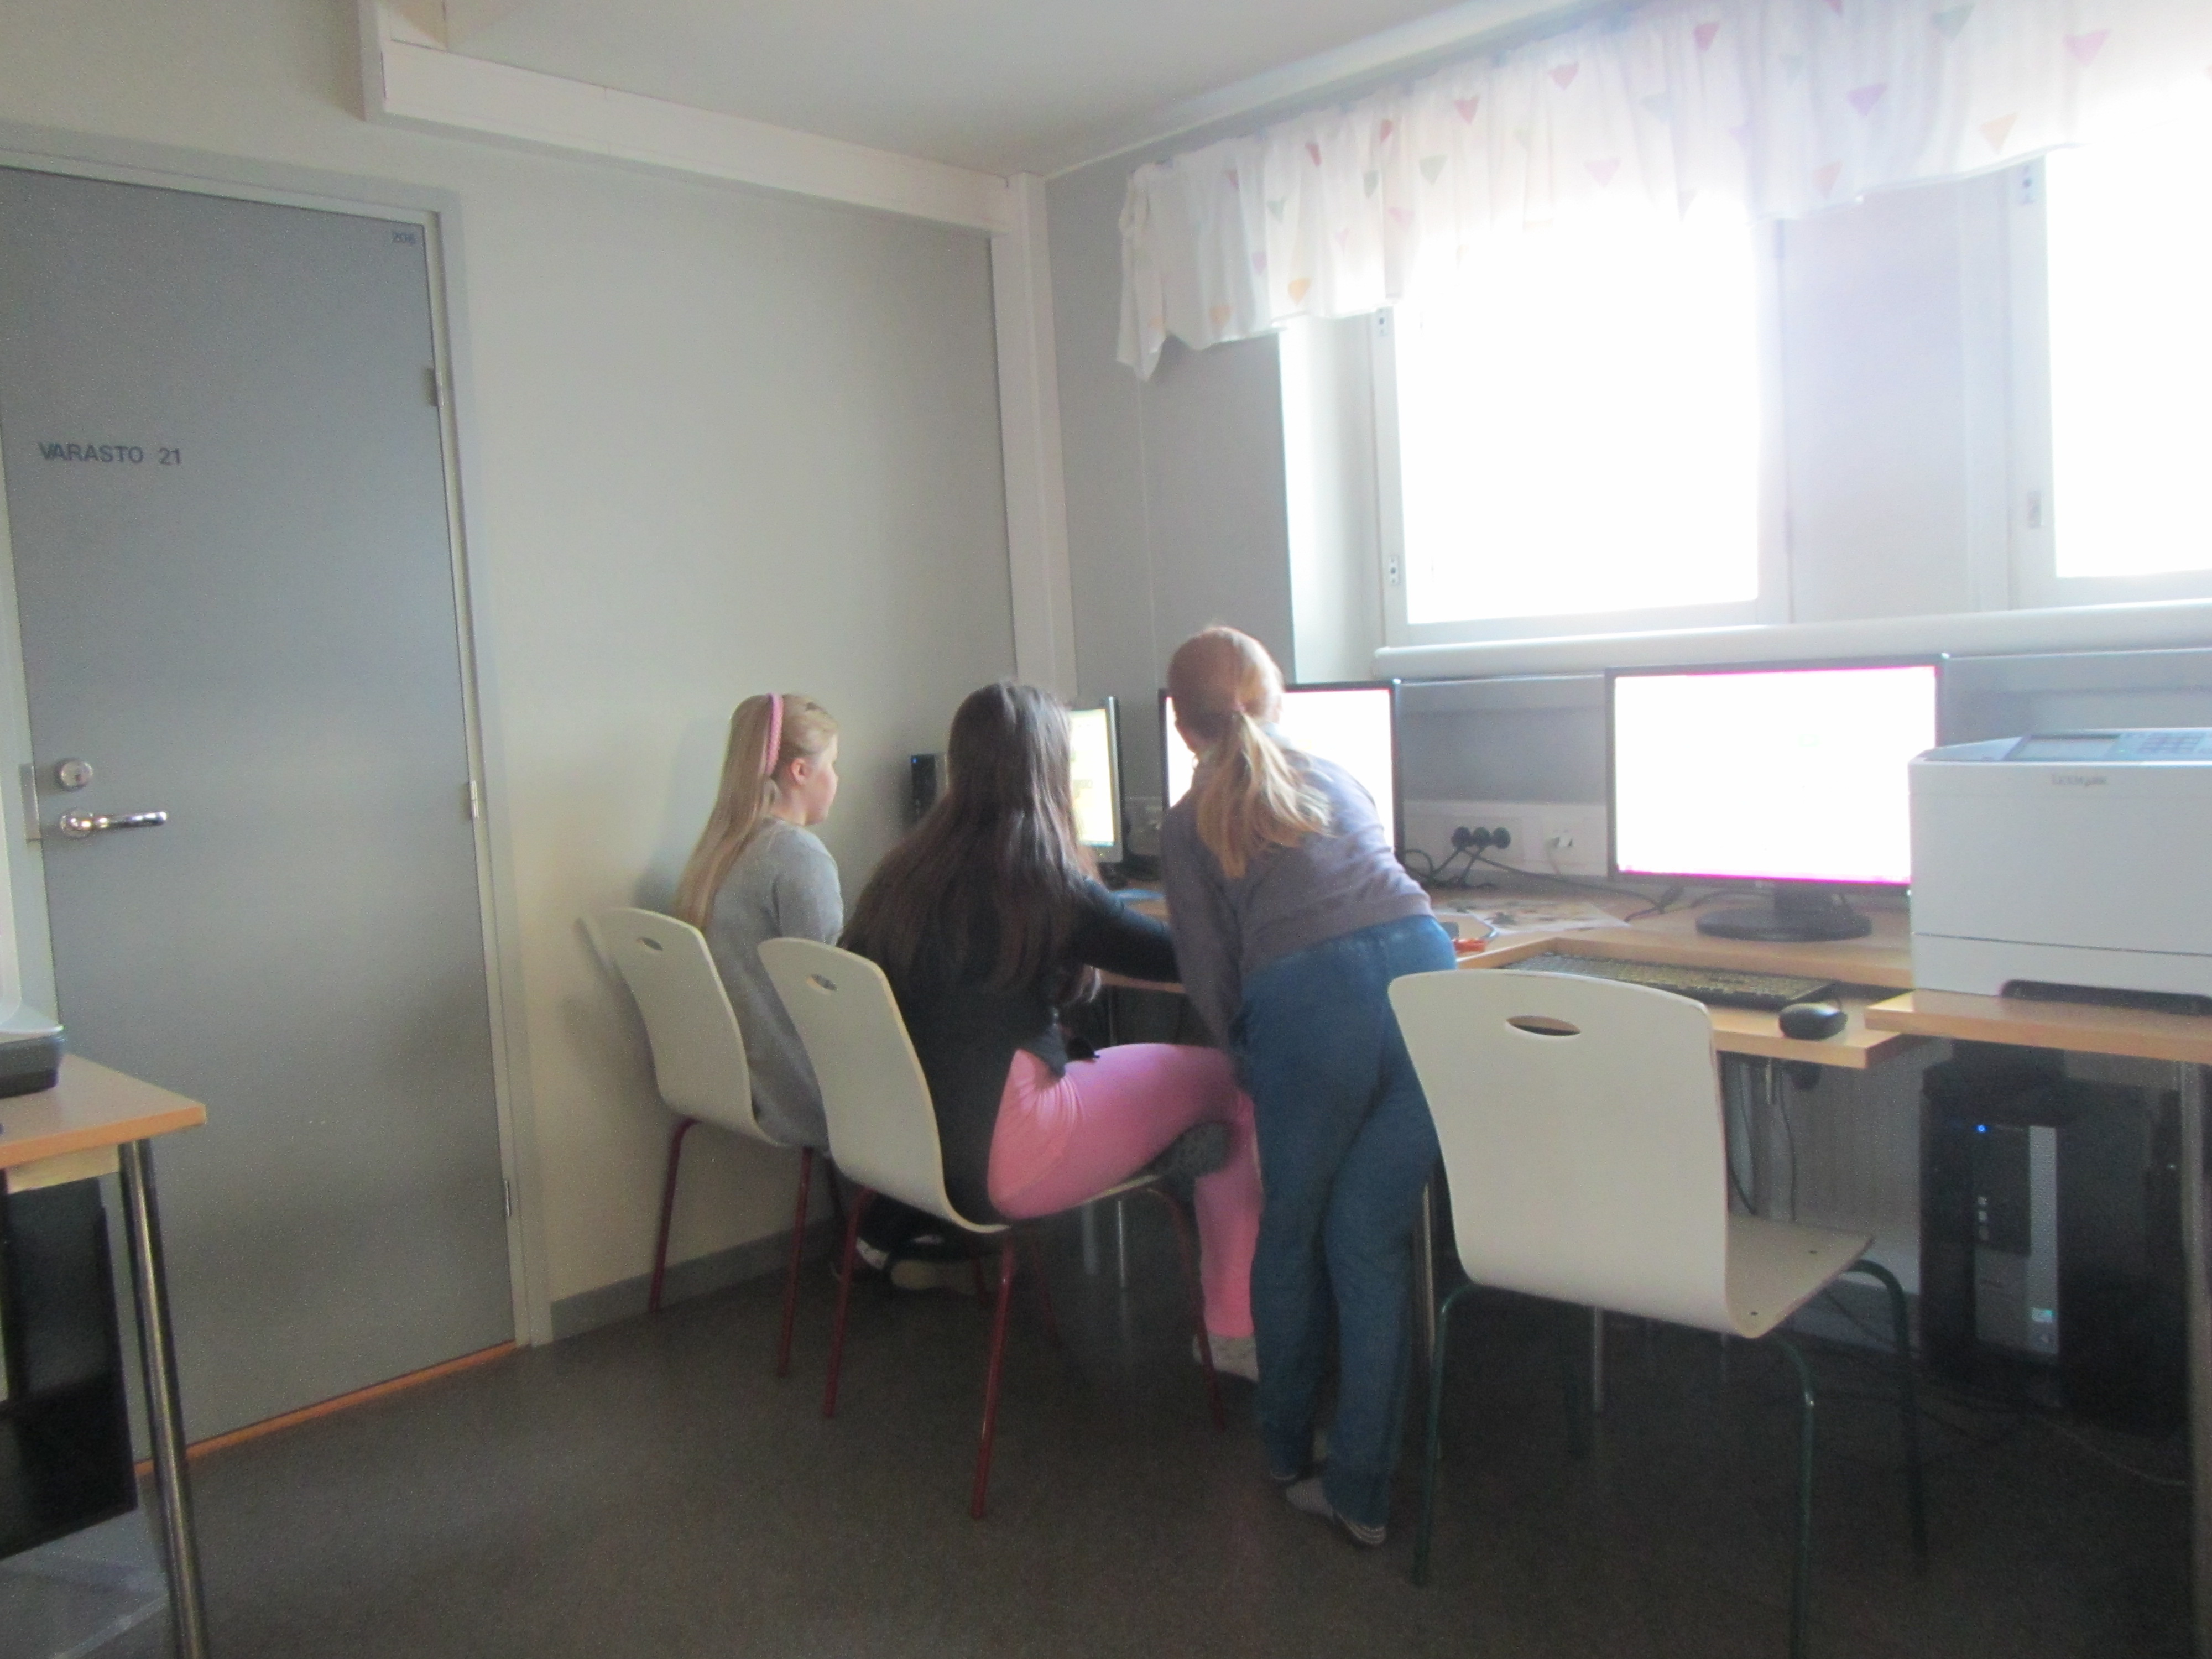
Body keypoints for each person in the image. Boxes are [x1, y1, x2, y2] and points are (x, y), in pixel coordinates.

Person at [841, 681, 1262, 1370]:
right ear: (1049, 769)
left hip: (912, 1155)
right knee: (1236, 1082)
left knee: (1138, 1065)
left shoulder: (900, 875)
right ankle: (1234, 1334)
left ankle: (1228, 1309)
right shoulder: (1039, 875)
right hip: (1014, 1158)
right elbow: (1180, 959)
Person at [1159, 625, 1454, 1548]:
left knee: (1290, 1238)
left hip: (1311, 1007)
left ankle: (1287, 1453)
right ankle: (1361, 1490)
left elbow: (1210, 977)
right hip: (1432, 986)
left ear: (1182, 726)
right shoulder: (1338, 777)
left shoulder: (1189, 821)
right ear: (1275, 701)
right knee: (1369, 1240)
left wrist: (1255, 1058)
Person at [673, 693, 845, 1150]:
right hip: (797, 1097)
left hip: (732, 1085)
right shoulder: (797, 856)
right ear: (800, 771)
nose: (837, 779)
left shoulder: (718, 850)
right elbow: (833, 996)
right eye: (832, 765)